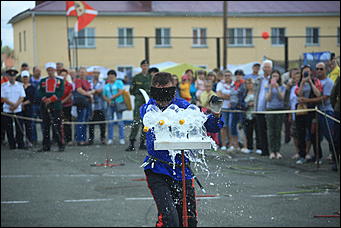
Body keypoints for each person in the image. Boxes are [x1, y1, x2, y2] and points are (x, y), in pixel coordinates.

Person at [140, 72, 223, 227]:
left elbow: (210, 126)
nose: (162, 97)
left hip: (182, 171)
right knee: (169, 220)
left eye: (166, 90)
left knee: (189, 220)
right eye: (159, 90)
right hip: (157, 170)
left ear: (173, 90)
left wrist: (215, 114)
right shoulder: (148, 109)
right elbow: (157, 119)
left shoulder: (184, 107)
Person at [294, 65, 322, 164]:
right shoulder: (299, 82)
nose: (306, 74)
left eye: (308, 72)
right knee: (300, 133)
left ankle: (318, 156)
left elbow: (318, 94)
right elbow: (298, 94)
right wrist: (302, 82)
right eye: (304, 72)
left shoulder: (316, 81)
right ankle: (302, 155)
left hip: (312, 110)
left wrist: (310, 82)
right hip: (301, 110)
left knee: (313, 134)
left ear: (311, 72)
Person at [37, 62, 65, 152]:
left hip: (56, 106)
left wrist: (51, 99)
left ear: (55, 70)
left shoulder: (60, 81)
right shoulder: (42, 81)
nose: (50, 72)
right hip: (45, 106)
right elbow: (40, 92)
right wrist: (45, 99)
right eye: (48, 70)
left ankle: (60, 145)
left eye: (52, 70)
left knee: (57, 126)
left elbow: (60, 92)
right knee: (45, 127)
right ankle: (46, 146)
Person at [312, 62, 335, 165]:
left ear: (326, 70)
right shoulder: (314, 81)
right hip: (316, 112)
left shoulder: (329, 82)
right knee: (315, 136)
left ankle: (334, 155)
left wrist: (307, 100)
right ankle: (318, 156)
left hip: (327, 111)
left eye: (321, 69)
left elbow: (325, 98)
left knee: (330, 135)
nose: (319, 71)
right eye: (317, 69)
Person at [126, 60, 152, 151]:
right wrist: (138, 95)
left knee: (146, 123)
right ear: (141, 67)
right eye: (143, 65)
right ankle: (131, 143)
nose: (145, 67)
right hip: (138, 103)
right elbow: (131, 90)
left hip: (147, 103)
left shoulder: (150, 78)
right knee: (136, 122)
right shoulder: (136, 78)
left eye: (146, 66)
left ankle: (142, 143)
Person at [1, 69, 26, 149]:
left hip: (17, 109)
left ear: (15, 76)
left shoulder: (19, 85)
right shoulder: (3, 86)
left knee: (19, 128)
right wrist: (12, 105)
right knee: (9, 129)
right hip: (7, 110)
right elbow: (3, 98)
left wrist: (16, 105)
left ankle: (20, 144)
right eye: (10, 76)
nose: (12, 77)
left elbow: (22, 97)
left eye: (13, 76)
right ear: (7, 76)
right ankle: (12, 145)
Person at [265, 70, 286, 159]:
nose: (275, 78)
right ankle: (272, 151)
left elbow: (282, 98)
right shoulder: (267, 86)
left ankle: (277, 151)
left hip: (279, 109)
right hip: (270, 109)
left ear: (279, 77)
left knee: (278, 130)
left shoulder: (282, 86)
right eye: (273, 76)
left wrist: (277, 88)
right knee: (271, 131)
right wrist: (270, 88)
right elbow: (268, 99)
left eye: (276, 76)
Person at [254, 60, 272, 156]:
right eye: (265, 67)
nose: (266, 69)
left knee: (270, 130)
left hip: (270, 108)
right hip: (259, 108)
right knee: (261, 130)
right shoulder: (259, 79)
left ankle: (272, 149)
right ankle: (263, 149)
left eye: (268, 67)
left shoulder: (273, 79)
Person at [103, 70, 125, 145]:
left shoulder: (119, 82)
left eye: (112, 76)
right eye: (110, 76)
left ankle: (122, 138)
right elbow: (104, 95)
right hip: (110, 105)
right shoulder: (106, 85)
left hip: (118, 103)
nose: (111, 77)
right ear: (108, 77)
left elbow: (120, 92)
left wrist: (111, 98)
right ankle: (110, 138)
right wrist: (108, 100)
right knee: (110, 122)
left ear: (115, 76)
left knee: (120, 122)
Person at [74, 67, 94, 146]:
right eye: (81, 72)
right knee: (81, 121)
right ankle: (80, 139)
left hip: (87, 103)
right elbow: (79, 90)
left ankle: (83, 138)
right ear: (78, 73)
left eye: (83, 72)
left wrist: (90, 94)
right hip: (81, 104)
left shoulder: (87, 81)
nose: (82, 73)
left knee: (85, 121)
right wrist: (88, 94)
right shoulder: (78, 80)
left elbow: (90, 90)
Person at [216, 70, 234, 150]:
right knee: (223, 127)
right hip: (223, 108)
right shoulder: (220, 84)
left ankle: (231, 144)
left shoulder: (234, 84)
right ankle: (223, 144)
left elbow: (235, 95)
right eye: (226, 75)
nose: (227, 77)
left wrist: (225, 96)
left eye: (229, 75)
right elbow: (219, 95)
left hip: (233, 108)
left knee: (231, 127)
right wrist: (230, 96)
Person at [88, 68, 106, 145]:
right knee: (91, 124)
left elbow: (101, 90)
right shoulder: (89, 82)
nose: (96, 74)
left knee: (102, 124)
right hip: (91, 107)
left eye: (97, 73)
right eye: (94, 73)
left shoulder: (102, 82)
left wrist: (93, 91)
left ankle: (102, 138)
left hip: (101, 106)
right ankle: (91, 139)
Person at [199, 80, 220, 145]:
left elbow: (216, 104)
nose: (207, 88)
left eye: (209, 86)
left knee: (213, 128)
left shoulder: (214, 94)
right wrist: (208, 98)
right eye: (206, 86)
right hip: (204, 111)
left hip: (212, 111)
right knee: (205, 128)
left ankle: (215, 142)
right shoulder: (202, 94)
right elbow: (203, 103)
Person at [241, 78, 256, 154]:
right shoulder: (244, 93)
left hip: (256, 114)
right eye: (247, 83)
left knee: (258, 131)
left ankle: (259, 147)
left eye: (251, 83)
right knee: (248, 132)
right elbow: (241, 104)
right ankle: (249, 147)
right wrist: (247, 104)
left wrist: (254, 104)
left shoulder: (257, 93)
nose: (249, 85)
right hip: (247, 115)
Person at [21, 70, 36, 147]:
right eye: (24, 77)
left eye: (26, 77)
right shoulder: (19, 86)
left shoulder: (32, 87)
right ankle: (21, 141)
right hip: (20, 108)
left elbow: (32, 98)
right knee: (20, 125)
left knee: (29, 126)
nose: (25, 79)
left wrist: (24, 103)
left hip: (29, 108)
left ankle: (29, 141)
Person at [60, 69, 74, 146]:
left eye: (64, 75)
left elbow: (70, 94)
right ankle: (60, 139)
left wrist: (63, 101)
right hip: (59, 106)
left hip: (67, 106)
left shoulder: (69, 85)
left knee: (67, 123)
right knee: (59, 123)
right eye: (62, 75)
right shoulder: (58, 85)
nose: (63, 76)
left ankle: (69, 139)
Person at [30, 66, 42, 145]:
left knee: (43, 123)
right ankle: (34, 139)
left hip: (41, 104)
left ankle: (45, 139)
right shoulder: (30, 81)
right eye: (37, 71)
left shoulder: (42, 81)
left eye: (39, 71)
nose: (39, 72)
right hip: (33, 104)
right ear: (33, 72)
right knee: (32, 123)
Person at [330, 76, 340, 171]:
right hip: (339, 111)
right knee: (337, 137)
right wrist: (336, 108)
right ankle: (335, 160)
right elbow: (333, 95)